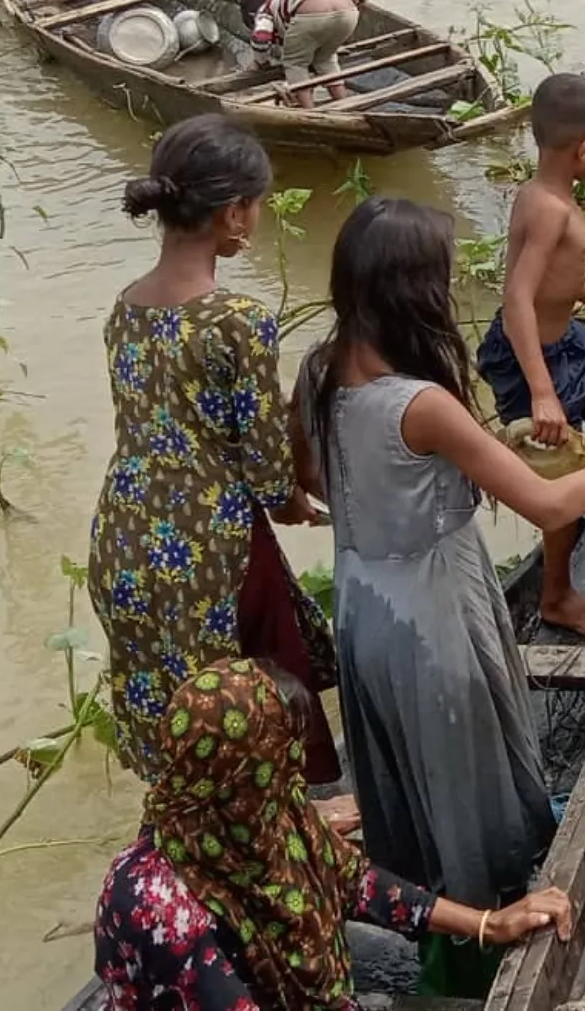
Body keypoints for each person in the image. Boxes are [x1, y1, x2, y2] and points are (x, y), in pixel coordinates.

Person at [299, 197, 585, 994]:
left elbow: (320, 479)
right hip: (432, 613)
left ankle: (428, 918)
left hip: (365, 606)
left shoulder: (322, 368)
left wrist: (474, 456)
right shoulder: (423, 404)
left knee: (410, 784)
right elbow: (551, 508)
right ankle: (478, 957)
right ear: (415, 292)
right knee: (468, 789)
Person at [91, 658, 575, 1011]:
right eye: (284, 758)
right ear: (243, 771)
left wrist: (488, 923)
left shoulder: (263, 817)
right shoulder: (156, 903)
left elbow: (355, 882)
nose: (296, 775)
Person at [90, 115, 340, 787]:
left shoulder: (125, 308)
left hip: (126, 533)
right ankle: (276, 828)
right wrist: (294, 501)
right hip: (209, 541)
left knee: (172, 699)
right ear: (234, 214)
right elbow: (262, 461)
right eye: (255, 206)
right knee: (246, 700)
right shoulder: (237, 320)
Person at [474, 73, 585, 640]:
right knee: (559, 476)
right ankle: (557, 596)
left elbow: (559, 275)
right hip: (533, 354)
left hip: (566, 336)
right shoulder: (548, 208)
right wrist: (543, 391)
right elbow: (519, 298)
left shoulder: (547, 194)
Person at [240, 0, 364, 105]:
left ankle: (310, 110)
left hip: (313, 13)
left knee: (295, 63)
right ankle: (345, 102)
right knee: (325, 59)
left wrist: (261, 62)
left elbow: (260, 38)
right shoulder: (289, 0)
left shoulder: (265, 9)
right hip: (349, 11)